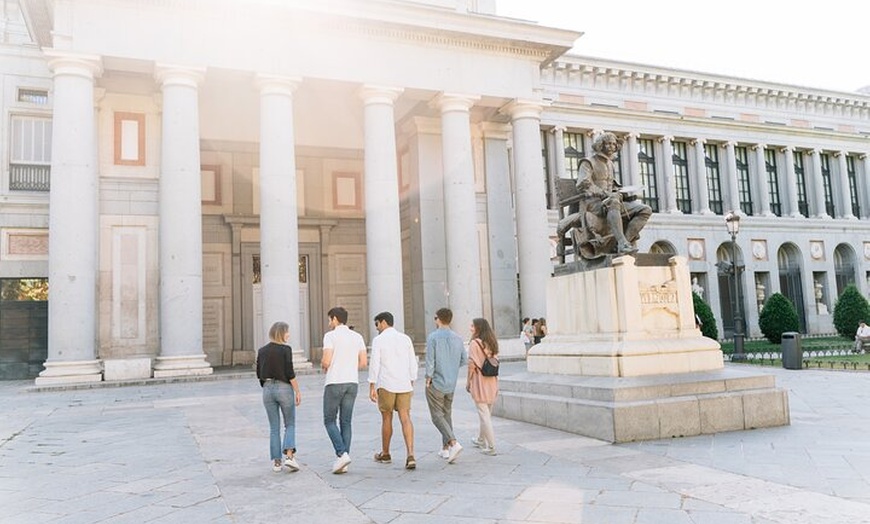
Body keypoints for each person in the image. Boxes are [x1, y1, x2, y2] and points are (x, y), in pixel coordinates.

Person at [561, 131, 652, 258]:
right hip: (593, 204)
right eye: (608, 144)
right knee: (613, 201)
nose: (611, 146)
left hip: (611, 203)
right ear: (600, 145)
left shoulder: (610, 164)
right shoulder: (588, 162)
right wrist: (605, 194)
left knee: (645, 210)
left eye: (614, 144)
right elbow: (583, 183)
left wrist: (621, 193)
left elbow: (611, 185)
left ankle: (621, 242)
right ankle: (622, 243)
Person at [368, 311, 418, 470]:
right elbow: (412, 361)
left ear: (383, 322)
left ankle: (386, 453)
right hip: (404, 383)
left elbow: (375, 363)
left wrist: (371, 385)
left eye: (377, 324)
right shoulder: (405, 339)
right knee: (405, 417)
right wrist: (411, 380)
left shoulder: (379, 340)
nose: (376, 328)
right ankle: (410, 454)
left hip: (386, 383)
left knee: (386, 418)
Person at [321, 306, 367, 474]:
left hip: (334, 381)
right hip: (352, 382)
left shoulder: (330, 336)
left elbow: (326, 360)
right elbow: (363, 363)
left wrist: (324, 365)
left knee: (329, 420)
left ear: (334, 319)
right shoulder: (357, 336)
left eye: (329, 319)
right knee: (346, 421)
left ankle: (341, 454)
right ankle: (344, 460)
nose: (328, 322)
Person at [256, 321, 302, 473]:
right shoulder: (285, 349)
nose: (289, 335)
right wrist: (297, 391)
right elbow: (290, 372)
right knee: (290, 424)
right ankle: (289, 456)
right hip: (284, 388)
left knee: (273, 428)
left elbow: (258, 373)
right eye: (287, 332)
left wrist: (267, 384)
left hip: (267, 389)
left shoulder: (262, 350)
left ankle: (277, 463)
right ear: (281, 333)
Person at [425, 307, 467, 463]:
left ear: (438, 319)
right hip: (451, 382)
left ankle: (453, 443)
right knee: (447, 414)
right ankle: (445, 449)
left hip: (436, 381)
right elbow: (464, 359)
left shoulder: (433, 337)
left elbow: (430, 360)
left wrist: (428, 377)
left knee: (436, 415)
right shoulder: (458, 338)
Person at [466, 317, 499, 456]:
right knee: (486, 414)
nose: (470, 328)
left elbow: (472, 365)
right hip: (492, 380)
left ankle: (491, 447)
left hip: (480, 380)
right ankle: (481, 439)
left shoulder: (474, 343)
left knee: (484, 415)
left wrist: (468, 382)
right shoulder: (492, 342)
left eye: (472, 326)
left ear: (478, 328)